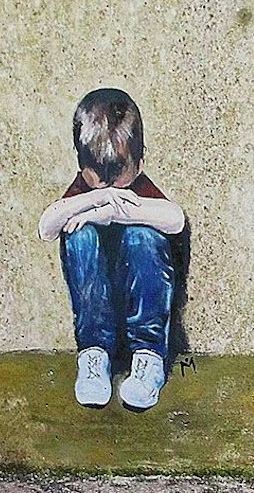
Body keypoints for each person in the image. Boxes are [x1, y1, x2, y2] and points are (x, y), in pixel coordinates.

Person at [37, 88, 189, 413]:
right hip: (99, 317)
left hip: (140, 315)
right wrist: (92, 203)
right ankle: (93, 356)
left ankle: (148, 360)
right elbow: (46, 228)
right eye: (97, 182)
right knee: (80, 235)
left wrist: (115, 211)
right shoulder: (85, 190)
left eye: (116, 182)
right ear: (82, 168)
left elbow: (175, 219)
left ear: (140, 163)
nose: (107, 190)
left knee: (143, 238)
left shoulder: (139, 187)